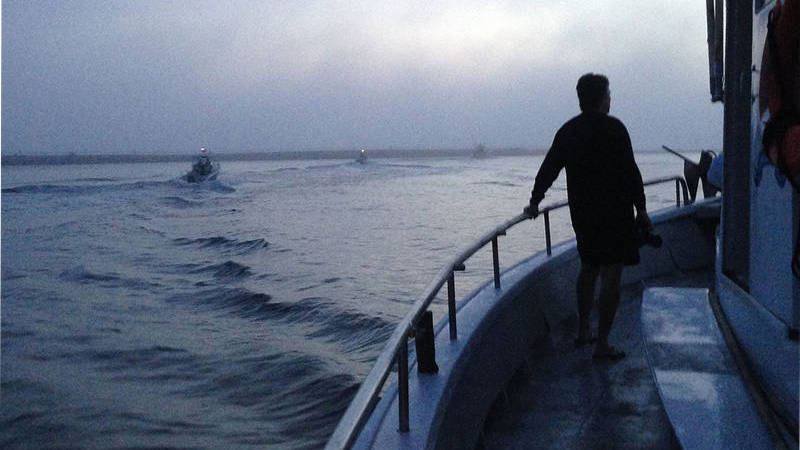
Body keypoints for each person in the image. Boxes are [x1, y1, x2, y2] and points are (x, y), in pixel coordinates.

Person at [525, 73, 650, 361]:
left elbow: (549, 168)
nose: (610, 99)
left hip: (583, 215)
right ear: (602, 97)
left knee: (589, 267)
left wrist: (535, 201)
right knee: (612, 276)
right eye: (609, 93)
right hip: (616, 215)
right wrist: (641, 208)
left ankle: (583, 329)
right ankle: (602, 344)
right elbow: (631, 172)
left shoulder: (568, 131)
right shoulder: (616, 129)